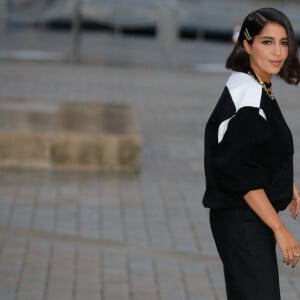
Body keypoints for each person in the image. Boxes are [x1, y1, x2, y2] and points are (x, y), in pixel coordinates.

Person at [203, 7, 300, 300]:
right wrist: (281, 231)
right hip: (242, 222)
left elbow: (258, 148)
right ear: (247, 44)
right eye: (267, 42)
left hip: (245, 219)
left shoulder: (254, 84)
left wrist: (285, 182)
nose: (278, 52)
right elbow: (243, 177)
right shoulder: (249, 99)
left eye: (283, 42)